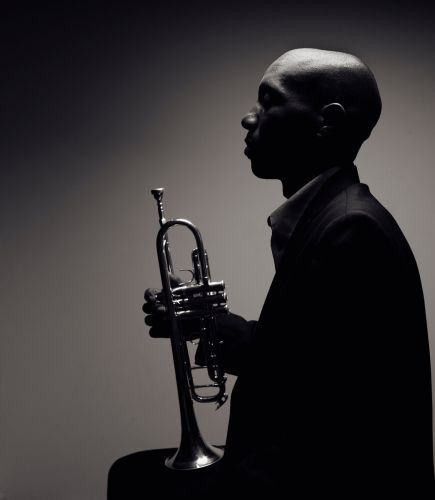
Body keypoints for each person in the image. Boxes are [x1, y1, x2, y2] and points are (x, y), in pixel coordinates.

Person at [143, 48, 434, 497]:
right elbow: (307, 354)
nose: (248, 118)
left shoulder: (351, 228)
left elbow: (320, 397)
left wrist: (212, 326)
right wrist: (202, 322)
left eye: (269, 101)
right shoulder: (334, 218)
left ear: (327, 121)